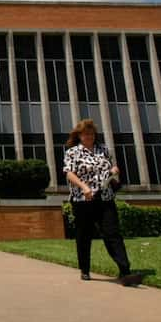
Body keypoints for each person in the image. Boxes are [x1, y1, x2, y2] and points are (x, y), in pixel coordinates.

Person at [62, 118, 142, 286]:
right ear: (79, 136)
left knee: (112, 233)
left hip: (105, 197)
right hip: (83, 199)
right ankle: (85, 269)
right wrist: (84, 187)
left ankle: (125, 270)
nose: (89, 137)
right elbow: (69, 173)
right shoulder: (72, 152)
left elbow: (110, 168)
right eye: (85, 134)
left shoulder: (103, 149)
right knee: (84, 235)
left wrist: (114, 170)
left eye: (91, 134)